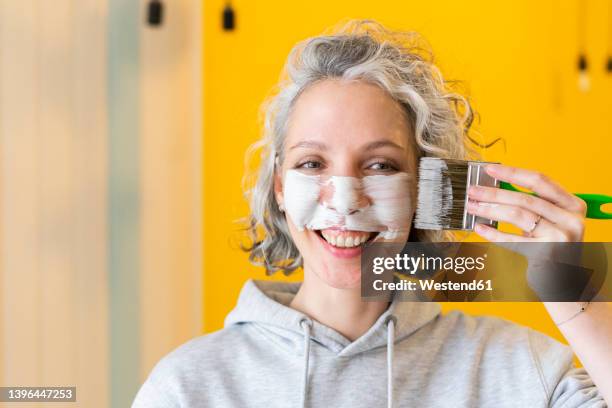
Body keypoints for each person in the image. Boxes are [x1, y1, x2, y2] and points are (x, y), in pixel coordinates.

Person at [132, 20, 610, 407]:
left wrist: (578, 299)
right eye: (312, 163)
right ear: (279, 186)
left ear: (424, 187)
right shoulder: (188, 388)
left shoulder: (518, 369)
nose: (344, 200)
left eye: (380, 165)